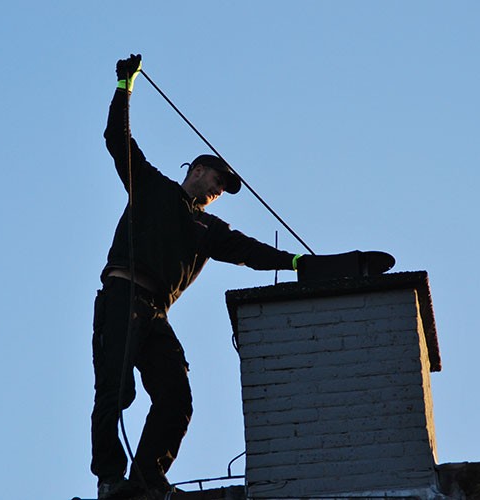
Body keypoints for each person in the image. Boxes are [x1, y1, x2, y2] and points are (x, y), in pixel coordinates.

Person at [91, 54, 303, 500]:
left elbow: (251, 252)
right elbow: (117, 138)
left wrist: (298, 264)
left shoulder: (208, 229)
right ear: (197, 169)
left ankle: (147, 479)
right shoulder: (151, 187)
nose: (218, 191)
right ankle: (110, 481)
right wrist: (125, 86)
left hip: (155, 314)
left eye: (224, 189)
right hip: (121, 294)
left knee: (176, 397)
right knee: (115, 388)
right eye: (217, 181)